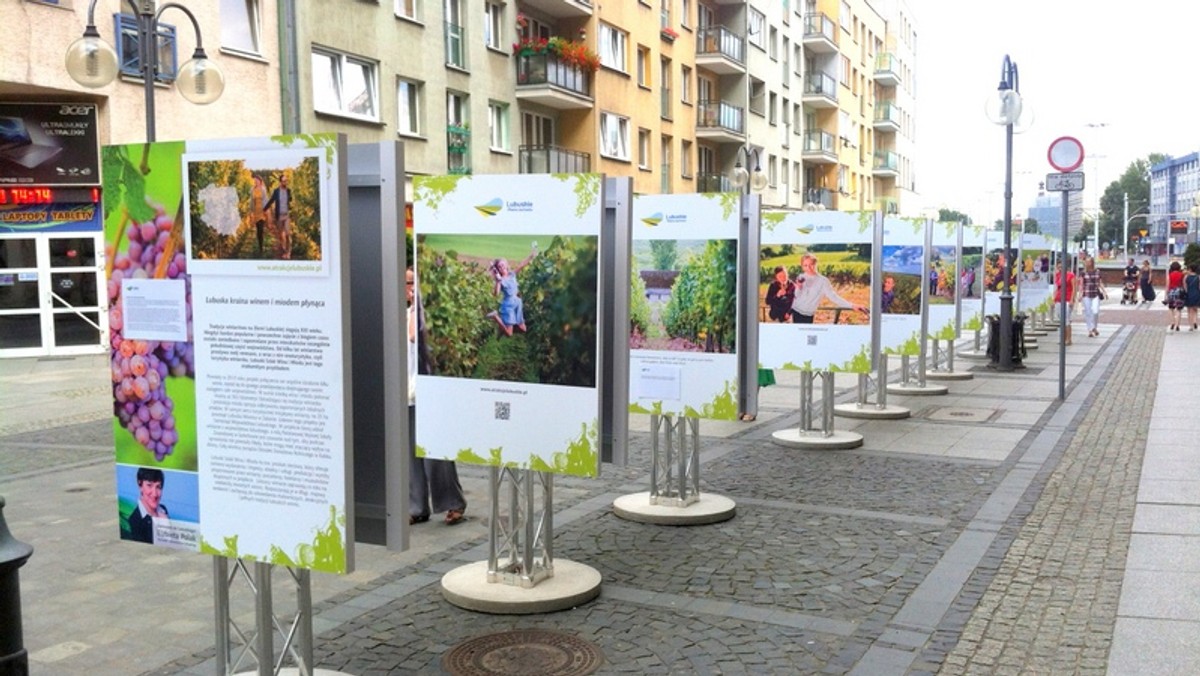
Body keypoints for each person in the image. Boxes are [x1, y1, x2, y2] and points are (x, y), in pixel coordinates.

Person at [407, 267, 466, 526]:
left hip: (427, 390)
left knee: (436, 452)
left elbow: (412, 336)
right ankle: (417, 506)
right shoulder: (400, 311)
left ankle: (453, 503)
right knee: (410, 454)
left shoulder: (422, 315)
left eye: (410, 282)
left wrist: (415, 304)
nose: (407, 287)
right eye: (404, 283)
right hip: (405, 391)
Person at [789, 253, 867, 323]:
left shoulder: (823, 281)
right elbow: (797, 295)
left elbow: (834, 297)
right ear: (802, 266)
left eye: (811, 264)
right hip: (796, 310)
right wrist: (798, 288)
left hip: (808, 313)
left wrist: (852, 306)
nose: (808, 268)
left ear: (816, 264)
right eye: (805, 265)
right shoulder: (801, 276)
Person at [486, 245, 537, 336]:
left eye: (502, 265)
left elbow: (521, 265)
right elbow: (496, 294)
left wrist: (531, 256)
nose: (502, 267)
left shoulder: (512, 274)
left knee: (523, 329)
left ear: (506, 264)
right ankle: (495, 316)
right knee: (509, 334)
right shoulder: (500, 280)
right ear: (498, 269)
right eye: (499, 266)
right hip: (508, 305)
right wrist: (497, 281)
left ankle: (503, 328)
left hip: (517, 303)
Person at [125, 467, 168, 544]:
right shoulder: (134, 521)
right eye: (149, 485)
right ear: (140, 485)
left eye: (158, 487)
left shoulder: (163, 509)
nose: (154, 494)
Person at [264, 174, 291, 259]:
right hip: (279, 216)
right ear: (280, 182)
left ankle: (288, 253)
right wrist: (264, 209)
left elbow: (290, 200)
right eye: (283, 181)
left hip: (286, 215)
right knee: (281, 234)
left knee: (288, 234)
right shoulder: (276, 191)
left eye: (286, 181)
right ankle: (283, 249)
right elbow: (271, 200)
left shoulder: (288, 191)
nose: (285, 182)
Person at [1078, 256, 1105, 338]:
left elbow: (1100, 282)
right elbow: (1081, 284)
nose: (1087, 263)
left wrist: (1104, 291)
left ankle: (1094, 327)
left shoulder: (1097, 271)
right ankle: (1090, 329)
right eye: (1086, 262)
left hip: (1095, 293)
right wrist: (1080, 294)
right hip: (1086, 293)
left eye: (1089, 262)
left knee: (1095, 311)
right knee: (1088, 312)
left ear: (1092, 262)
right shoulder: (1083, 272)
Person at [1053, 261, 1075, 346]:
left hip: (1067, 299)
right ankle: (1063, 338)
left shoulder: (1070, 275)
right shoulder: (1058, 276)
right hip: (1059, 299)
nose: (1060, 269)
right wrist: (1054, 299)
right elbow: (1057, 288)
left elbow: (1074, 288)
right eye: (1058, 267)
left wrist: (1072, 300)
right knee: (1060, 319)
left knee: (1066, 319)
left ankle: (1069, 339)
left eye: (1061, 267)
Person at [251, 175, 267, 257]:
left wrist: (266, 211)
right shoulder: (252, 189)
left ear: (260, 181)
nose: (256, 182)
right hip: (256, 211)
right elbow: (251, 201)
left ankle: (261, 247)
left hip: (262, 211)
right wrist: (251, 212)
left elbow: (265, 200)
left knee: (261, 229)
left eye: (257, 180)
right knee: (258, 230)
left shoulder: (263, 189)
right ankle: (260, 244)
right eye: (255, 181)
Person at [1166, 260, 1185, 331]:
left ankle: (1172, 322)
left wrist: (1166, 294)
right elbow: (1183, 284)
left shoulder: (1170, 275)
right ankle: (1177, 325)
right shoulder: (1182, 275)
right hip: (1179, 292)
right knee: (1179, 309)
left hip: (1171, 292)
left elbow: (1167, 285)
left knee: (1171, 308)